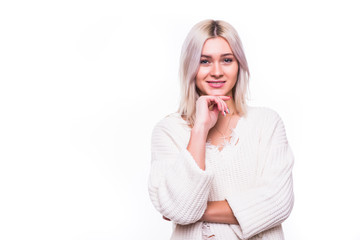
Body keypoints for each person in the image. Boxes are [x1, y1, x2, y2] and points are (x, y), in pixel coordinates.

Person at [148, 19, 294, 240]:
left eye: (227, 60)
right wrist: (200, 128)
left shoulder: (266, 123)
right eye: (204, 61)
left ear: (239, 65)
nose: (216, 71)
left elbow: (278, 202)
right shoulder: (168, 131)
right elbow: (178, 208)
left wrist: (196, 211)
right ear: (190, 66)